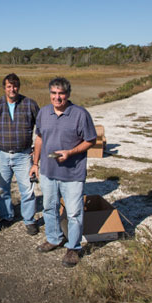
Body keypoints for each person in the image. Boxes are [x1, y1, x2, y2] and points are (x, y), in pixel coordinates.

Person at [30, 77, 97, 267]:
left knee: (74, 213)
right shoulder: (43, 112)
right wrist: (35, 163)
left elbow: (90, 140)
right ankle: (53, 238)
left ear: (68, 94)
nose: (57, 97)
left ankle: (73, 248)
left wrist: (71, 152)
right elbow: (40, 139)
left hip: (72, 174)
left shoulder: (80, 114)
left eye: (61, 93)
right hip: (48, 172)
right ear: (49, 94)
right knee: (49, 207)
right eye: (53, 93)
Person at [0, 73, 41, 235]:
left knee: (27, 189)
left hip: (23, 155)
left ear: (18, 87)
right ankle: (7, 216)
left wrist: (36, 149)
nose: (12, 89)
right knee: (2, 188)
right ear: (4, 88)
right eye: (9, 86)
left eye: (15, 86)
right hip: (1, 154)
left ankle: (29, 220)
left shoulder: (29, 104)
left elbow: (42, 128)